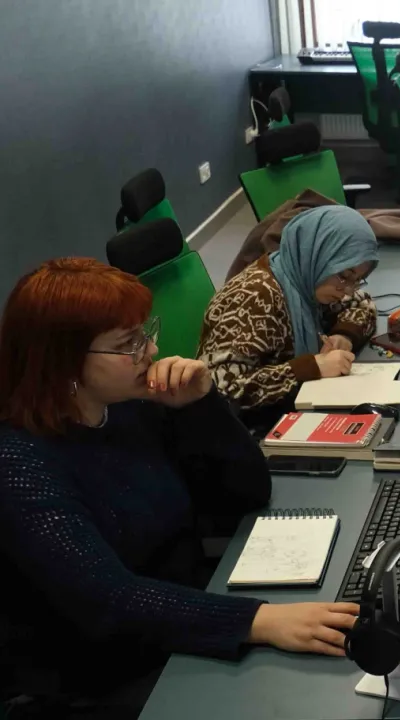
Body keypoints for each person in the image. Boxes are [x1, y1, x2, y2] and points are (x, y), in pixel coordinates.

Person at [0, 259, 359, 719]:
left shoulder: (130, 406)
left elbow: (247, 493)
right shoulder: (20, 463)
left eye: (145, 333)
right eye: (128, 344)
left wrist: (201, 404)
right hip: (96, 676)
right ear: (62, 361)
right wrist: (257, 620)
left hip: (184, 617)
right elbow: (107, 601)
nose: (151, 350)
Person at [199, 205, 379, 418]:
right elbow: (221, 389)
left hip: (291, 409)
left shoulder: (307, 279)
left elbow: (363, 304)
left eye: (357, 280)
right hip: (254, 427)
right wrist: (310, 368)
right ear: (316, 254)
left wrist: (344, 335)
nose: (348, 290)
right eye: (345, 276)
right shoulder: (253, 297)